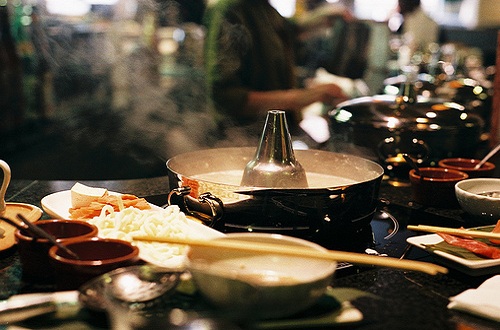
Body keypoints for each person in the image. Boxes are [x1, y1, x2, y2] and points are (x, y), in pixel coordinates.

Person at [203, 0, 347, 142]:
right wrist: (303, 97)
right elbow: (226, 98)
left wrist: (327, 15)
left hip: (276, 138)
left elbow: (292, 29)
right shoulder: (230, 9)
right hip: (241, 142)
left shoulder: (264, 8)